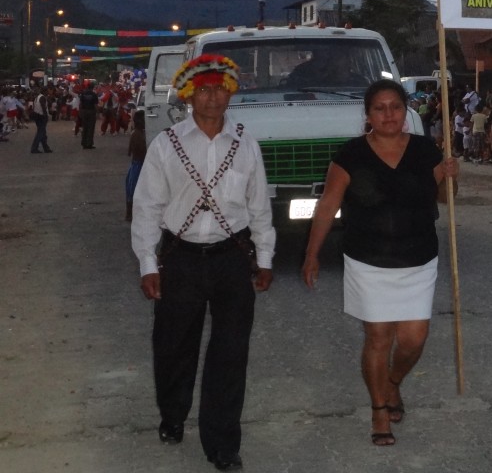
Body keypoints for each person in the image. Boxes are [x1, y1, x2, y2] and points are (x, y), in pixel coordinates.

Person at [131, 54, 276, 471]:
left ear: (230, 93)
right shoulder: (166, 144)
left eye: (220, 89)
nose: (213, 97)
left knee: (231, 353)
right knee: (173, 346)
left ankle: (222, 443)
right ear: (190, 96)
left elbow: (258, 206)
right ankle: (173, 416)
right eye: (204, 90)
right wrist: (148, 263)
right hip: (181, 258)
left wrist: (264, 257)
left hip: (232, 258)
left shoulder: (246, 142)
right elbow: (147, 207)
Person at [301, 79, 458, 447]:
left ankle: (392, 382)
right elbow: (328, 206)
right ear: (368, 114)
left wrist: (451, 176)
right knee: (378, 337)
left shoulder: (425, 150)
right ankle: (379, 410)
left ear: (407, 111)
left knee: (413, 339)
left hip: (418, 259)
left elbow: (445, 197)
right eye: (380, 108)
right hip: (368, 260)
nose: (389, 114)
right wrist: (311, 254)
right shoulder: (351, 155)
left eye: (396, 107)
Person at [125, 109, 147, 222]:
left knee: (131, 189)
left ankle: (130, 213)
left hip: (136, 164)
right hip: (139, 164)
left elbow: (129, 152)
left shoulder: (136, 133)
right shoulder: (139, 135)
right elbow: (140, 151)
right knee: (134, 190)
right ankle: (130, 214)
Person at [29, 86, 53, 154]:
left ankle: (46, 148)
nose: (49, 91)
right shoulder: (42, 97)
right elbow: (43, 107)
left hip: (37, 115)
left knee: (43, 133)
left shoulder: (37, 97)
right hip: (42, 116)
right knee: (40, 133)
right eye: (48, 90)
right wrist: (46, 116)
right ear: (45, 91)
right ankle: (34, 148)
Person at [78, 79, 99, 149]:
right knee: (91, 128)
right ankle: (89, 144)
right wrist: (97, 113)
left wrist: (80, 112)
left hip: (84, 111)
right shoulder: (94, 94)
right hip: (91, 112)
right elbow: (96, 105)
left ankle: (83, 143)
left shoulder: (83, 94)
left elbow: (80, 104)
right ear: (93, 87)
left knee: (84, 127)